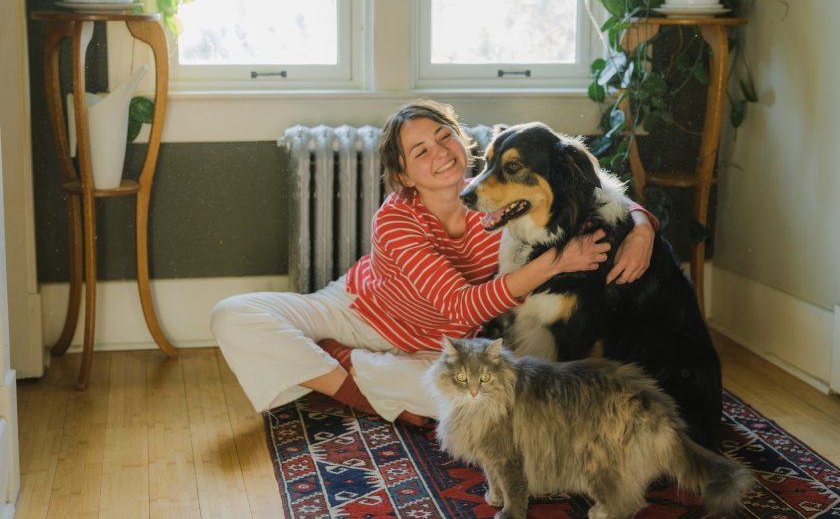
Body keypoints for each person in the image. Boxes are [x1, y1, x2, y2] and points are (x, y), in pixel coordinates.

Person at [211, 99, 656, 425]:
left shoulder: (503, 200)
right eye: (420, 151)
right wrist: (554, 264)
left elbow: (588, 190)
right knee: (233, 315)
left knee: (502, 406)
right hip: (356, 313)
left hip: (439, 348)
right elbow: (459, 306)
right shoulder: (395, 218)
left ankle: (339, 367)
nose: (440, 152)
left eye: (444, 137)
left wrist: (643, 226)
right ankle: (353, 379)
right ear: (404, 174)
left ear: (463, 142)